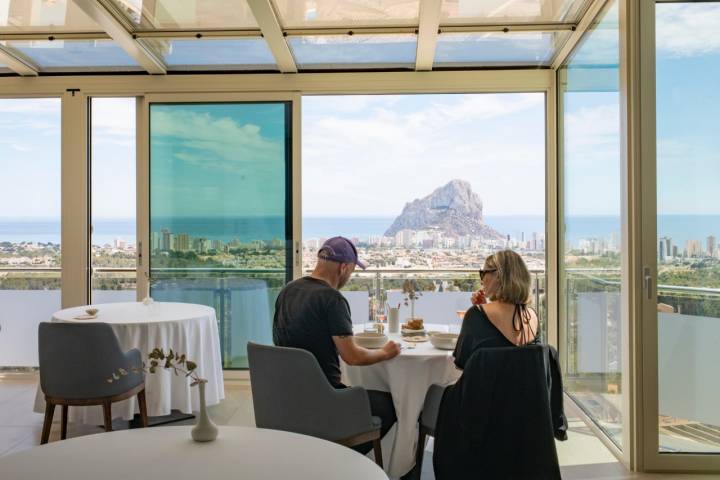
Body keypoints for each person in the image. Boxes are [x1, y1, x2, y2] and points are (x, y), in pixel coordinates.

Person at [273, 236, 401, 453]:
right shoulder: (332, 299)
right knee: (394, 404)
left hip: (288, 396)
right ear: (343, 267)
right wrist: (385, 352)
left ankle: (321, 453)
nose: (350, 277)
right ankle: (339, 454)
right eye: (351, 271)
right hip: (325, 400)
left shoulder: (288, 290)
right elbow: (352, 357)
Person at [454, 249, 540, 369]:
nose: (482, 279)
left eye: (483, 273)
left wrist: (480, 312)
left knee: (434, 388)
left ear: (499, 276)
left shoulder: (476, 315)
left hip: (485, 388)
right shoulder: (532, 317)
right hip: (526, 388)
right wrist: (483, 308)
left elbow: (462, 366)